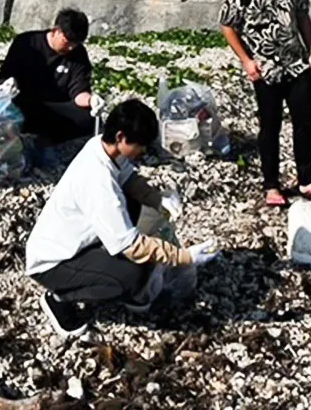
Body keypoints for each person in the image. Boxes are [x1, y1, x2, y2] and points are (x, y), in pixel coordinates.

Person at [26, 99, 218, 338]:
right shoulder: (98, 181)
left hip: (80, 242)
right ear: (120, 137)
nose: (143, 152)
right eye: (139, 145)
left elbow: (128, 179)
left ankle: (115, 279)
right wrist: (184, 257)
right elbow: (131, 246)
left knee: (136, 208)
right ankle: (59, 298)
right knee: (131, 275)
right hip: (53, 262)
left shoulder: (102, 146)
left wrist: (156, 198)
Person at [219, 0, 311, 207]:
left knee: (303, 123)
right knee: (270, 126)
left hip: (296, 64)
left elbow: (303, 17)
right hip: (266, 69)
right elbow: (227, 25)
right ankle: (271, 185)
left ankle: (306, 179)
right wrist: (246, 60)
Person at [0, 9, 101, 157]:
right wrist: (9, 85)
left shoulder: (78, 53)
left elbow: (78, 91)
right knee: (12, 112)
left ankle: (45, 137)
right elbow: (5, 77)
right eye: (68, 41)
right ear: (56, 31)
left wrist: (91, 100)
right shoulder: (26, 42)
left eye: (76, 43)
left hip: (57, 106)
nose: (71, 47)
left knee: (88, 118)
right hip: (26, 103)